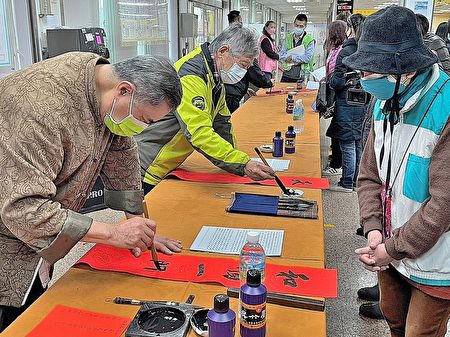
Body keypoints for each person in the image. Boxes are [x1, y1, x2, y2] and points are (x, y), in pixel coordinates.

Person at [0, 52, 183, 331]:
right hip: (8, 233)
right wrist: (113, 233)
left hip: (33, 232)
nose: (143, 128)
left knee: (33, 309)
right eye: (145, 119)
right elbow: (24, 208)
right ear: (125, 90)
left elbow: (122, 154)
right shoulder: (40, 109)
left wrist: (137, 224)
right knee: (13, 320)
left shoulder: (101, 83)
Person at [347, 6, 450, 336]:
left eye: (371, 73)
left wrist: (389, 248)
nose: (364, 81)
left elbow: (443, 206)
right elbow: (369, 175)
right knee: (394, 319)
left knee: (418, 332)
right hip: (391, 247)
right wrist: (373, 227)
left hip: (436, 261)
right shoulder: (384, 100)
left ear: (404, 72)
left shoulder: (445, 107)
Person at [136, 24, 275, 194]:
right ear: (223, 51)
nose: (244, 72)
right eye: (243, 65)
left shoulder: (215, 76)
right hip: (150, 166)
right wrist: (242, 164)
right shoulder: (191, 77)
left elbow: (222, 123)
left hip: (169, 163)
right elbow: (199, 133)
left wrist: (238, 161)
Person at [327, 14, 366, 193]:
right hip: (364, 101)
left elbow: (337, 81)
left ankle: (347, 182)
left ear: (350, 29)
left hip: (347, 101)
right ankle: (357, 180)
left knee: (347, 143)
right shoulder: (368, 49)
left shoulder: (347, 50)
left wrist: (333, 79)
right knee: (357, 142)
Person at [224, 12, 273, 113]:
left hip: (227, 90)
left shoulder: (226, 37)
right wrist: (268, 83)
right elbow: (253, 70)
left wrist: (245, 89)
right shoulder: (243, 43)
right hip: (231, 94)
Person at [321, 20, 347, 177]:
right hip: (332, 89)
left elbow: (337, 74)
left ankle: (337, 163)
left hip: (339, 94)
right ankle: (335, 158)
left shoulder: (342, 50)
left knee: (338, 129)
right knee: (335, 127)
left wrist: (330, 80)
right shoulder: (334, 49)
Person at [279, 13, 315, 83]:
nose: (298, 28)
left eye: (301, 26)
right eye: (296, 25)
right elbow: (282, 54)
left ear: (305, 26)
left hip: (302, 75)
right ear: (294, 24)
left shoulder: (310, 40)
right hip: (287, 74)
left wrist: (292, 57)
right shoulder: (288, 37)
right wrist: (298, 60)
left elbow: (307, 58)